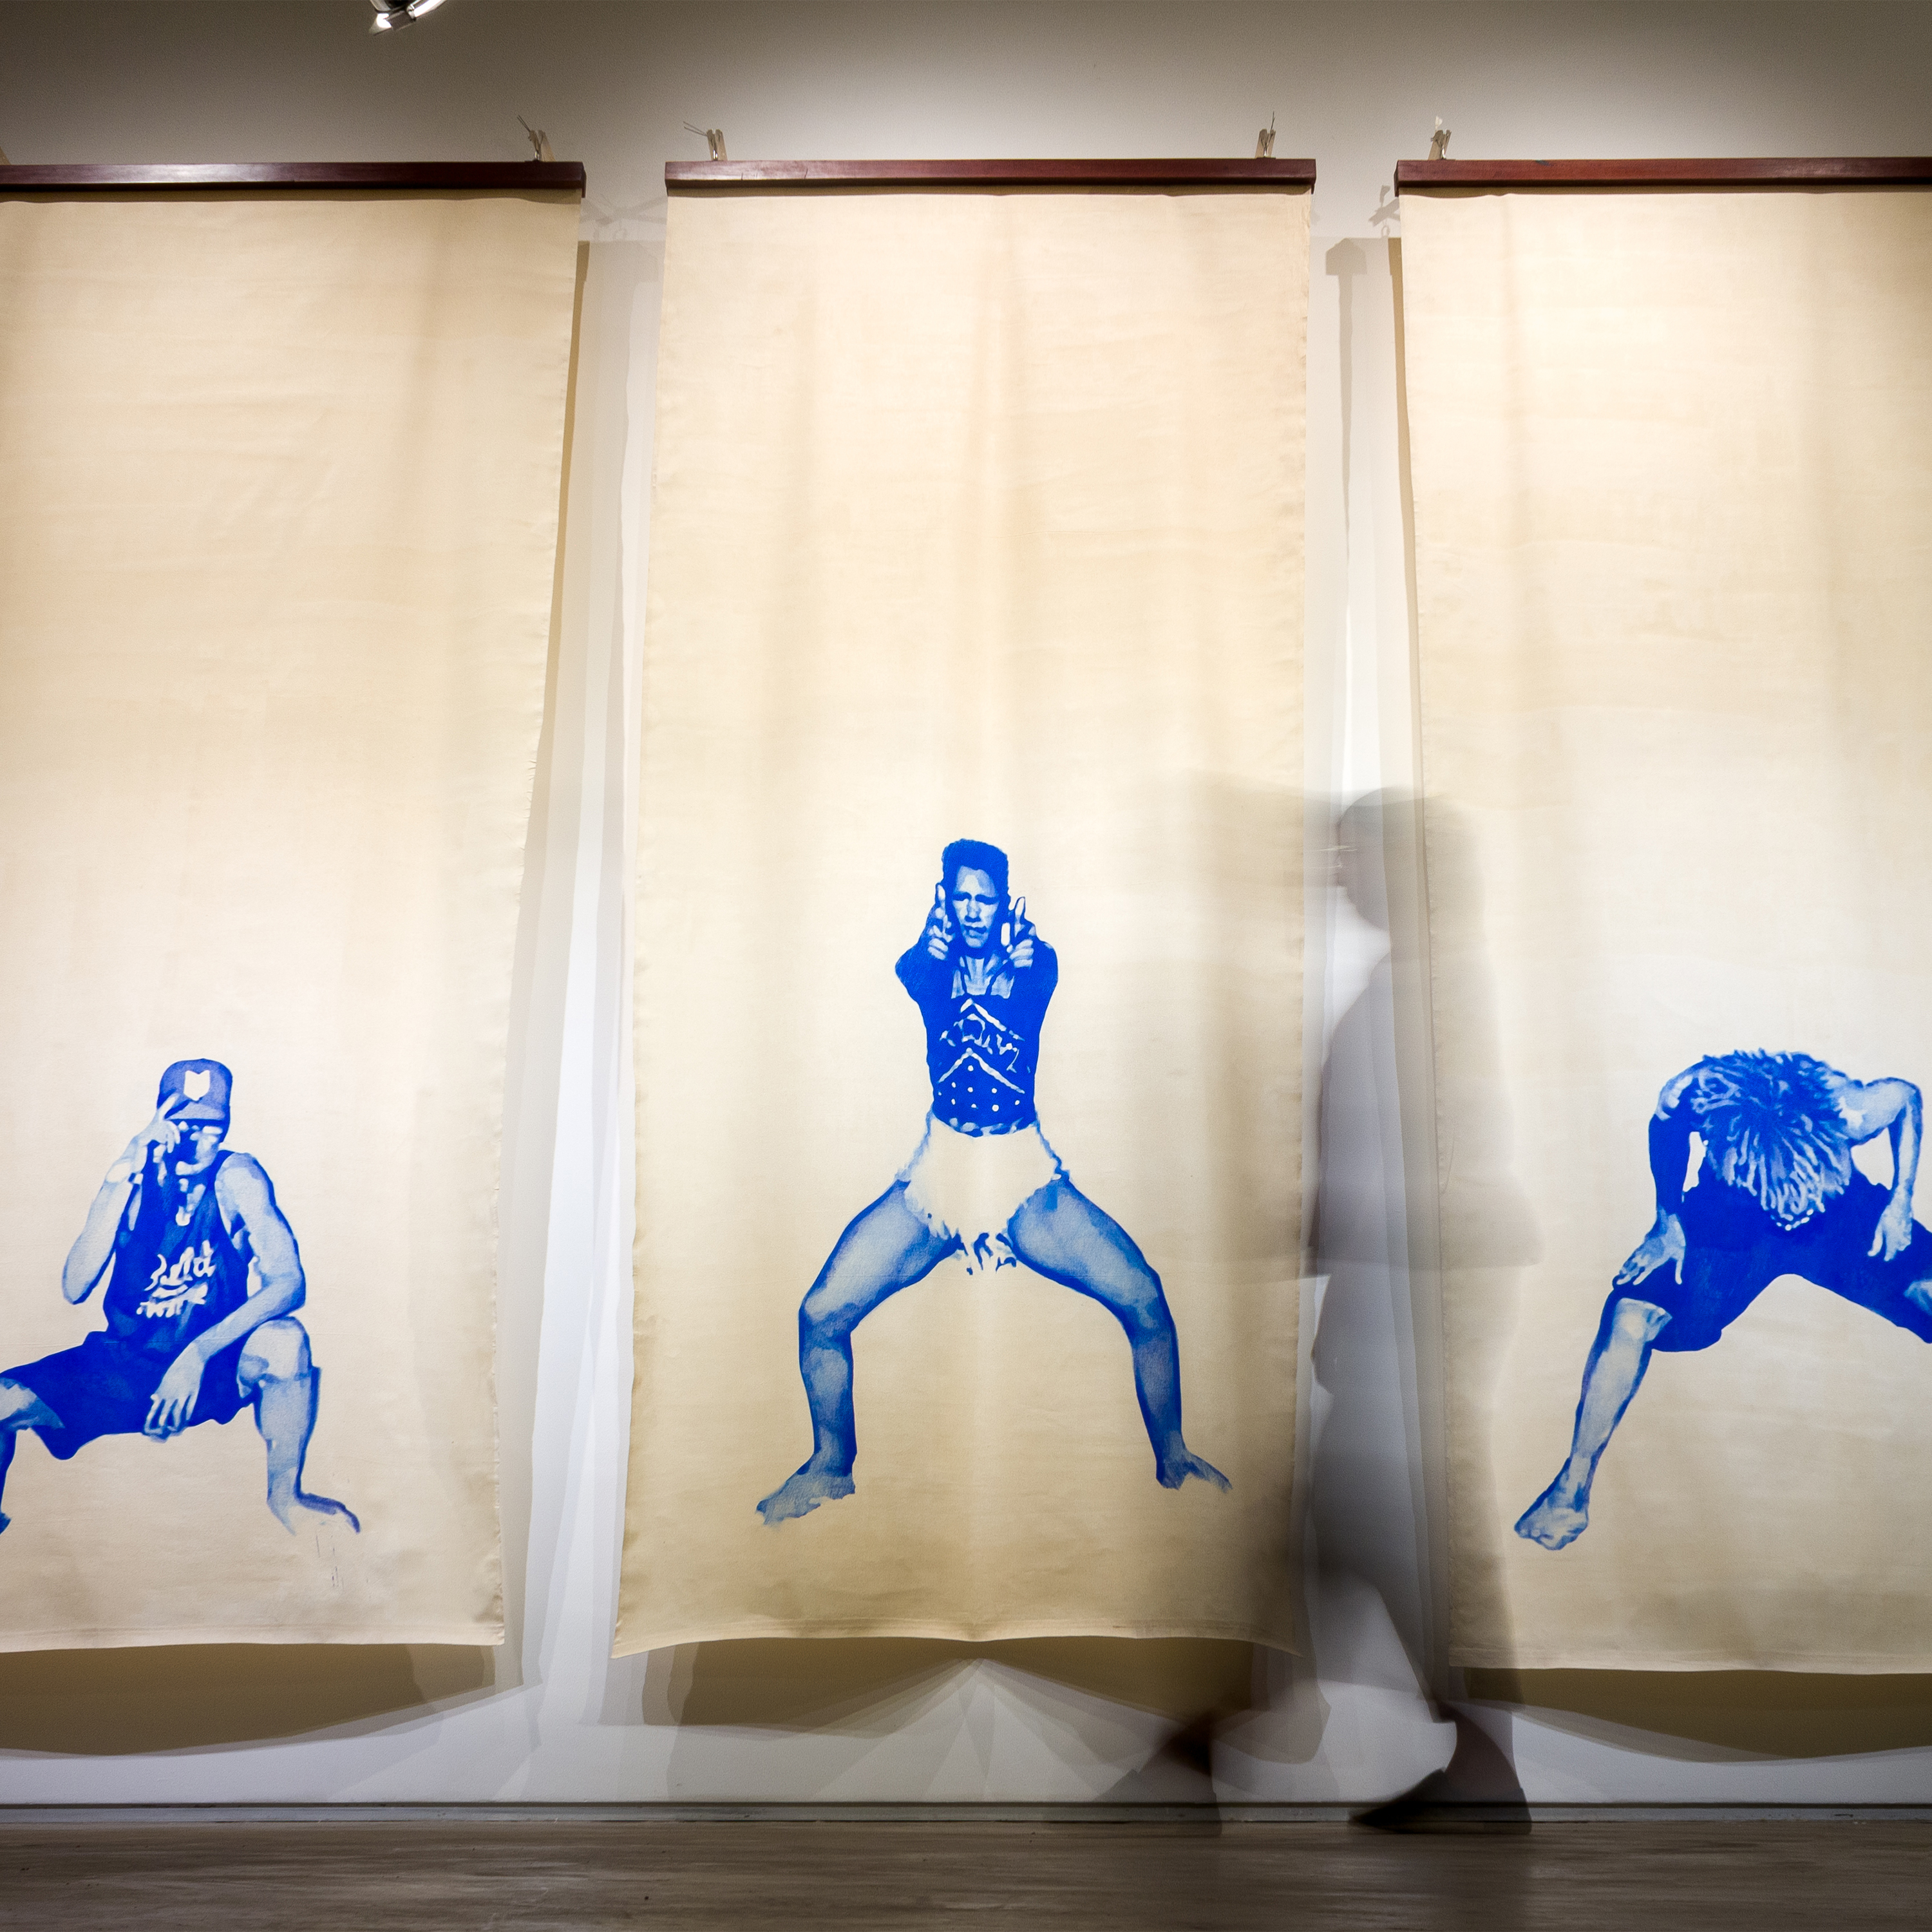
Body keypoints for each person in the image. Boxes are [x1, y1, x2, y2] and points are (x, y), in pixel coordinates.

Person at [757, 840, 1229, 1524]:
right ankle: (832, 1465)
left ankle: (1174, 1457)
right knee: (820, 1315)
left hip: (1020, 1176)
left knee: (1145, 1298)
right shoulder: (927, 968)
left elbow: (1037, 973)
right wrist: (933, 948)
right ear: (945, 901)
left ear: (1004, 904)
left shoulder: (1035, 965)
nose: (975, 910)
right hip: (942, 1172)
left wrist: (1019, 954)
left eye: (987, 899)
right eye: (963, 898)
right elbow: (914, 969)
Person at [1516, 1050, 1932, 1551]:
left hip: (1835, 1215)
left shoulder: (1850, 1108)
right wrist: (1667, 1221)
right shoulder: (1695, 1092)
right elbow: (1665, 1122)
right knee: (1630, 1316)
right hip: (1734, 1220)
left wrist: (1900, 1201)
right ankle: (1572, 1485)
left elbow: (1907, 1097)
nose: (1787, 1211)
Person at [0, 1059, 358, 1538]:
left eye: (212, 1126)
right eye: (184, 1123)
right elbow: (75, 1285)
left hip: (210, 1361)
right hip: (126, 1361)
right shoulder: (134, 1178)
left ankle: (285, 1496)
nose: (197, 1139)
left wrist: (197, 1353)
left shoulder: (237, 1176)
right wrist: (124, 1168)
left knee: (284, 1341)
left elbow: (289, 1281)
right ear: (161, 1122)